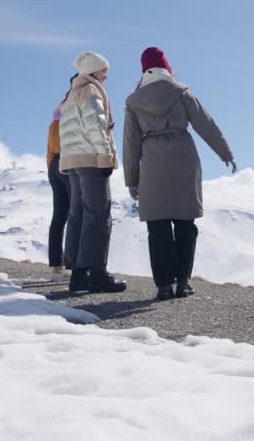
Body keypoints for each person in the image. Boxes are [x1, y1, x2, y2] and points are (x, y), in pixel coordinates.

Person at [123, 47, 235, 300]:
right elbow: (205, 124)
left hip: (152, 163)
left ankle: (164, 285)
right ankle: (183, 282)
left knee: (157, 225)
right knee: (185, 222)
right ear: (167, 67)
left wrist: (132, 179)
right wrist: (225, 152)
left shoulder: (133, 101)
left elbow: (131, 143)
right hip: (184, 158)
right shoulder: (181, 91)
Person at [58, 51, 127, 293]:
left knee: (78, 214)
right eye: (103, 71)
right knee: (98, 215)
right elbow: (95, 126)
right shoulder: (90, 90)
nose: (105, 76)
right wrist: (105, 157)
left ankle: (78, 276)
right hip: (91, 160)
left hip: (74, 162)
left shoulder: (72, 93)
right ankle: (97, 274)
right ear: (93, 71)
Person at [45, 76, 75, 272]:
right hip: (68, 162)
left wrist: (51, 165)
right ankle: (75, 265)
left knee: (59, 216)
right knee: (76, 214)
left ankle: (57, 266)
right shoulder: (74, 107)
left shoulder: (58, 111)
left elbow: (50, 145)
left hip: (53, 164)